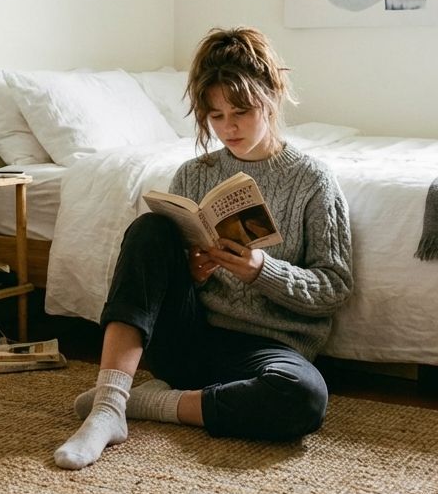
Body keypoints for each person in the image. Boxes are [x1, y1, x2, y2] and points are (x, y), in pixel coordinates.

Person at [53, 26, 354, 470]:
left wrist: (260, 269)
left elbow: (334, 288)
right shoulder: (193, 175)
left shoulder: (312, 182)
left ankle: (143, 404)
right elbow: (163, 271)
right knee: (151, 228)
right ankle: (107, 408)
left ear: (271, 98)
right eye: (215, 116)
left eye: (241, 112)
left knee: (304, 397)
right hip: (188, 339)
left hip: (267, 349)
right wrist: (194, 272)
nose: (227, 128)